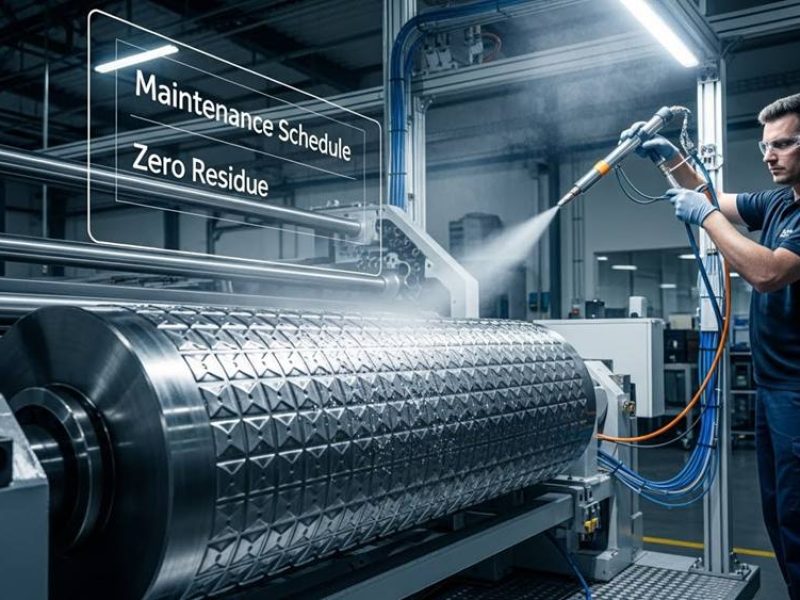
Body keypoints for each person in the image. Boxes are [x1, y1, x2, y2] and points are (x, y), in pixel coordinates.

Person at [624, 92, 800, 600]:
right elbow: (708, 195)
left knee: (799, 517)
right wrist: (667, 158)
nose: (769, 155)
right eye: (765, 145)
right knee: (780, 515)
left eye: (783, 144)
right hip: (773, 388)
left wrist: (703, 217)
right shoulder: (779, 202)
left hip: (797, 392)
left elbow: (767, 273)